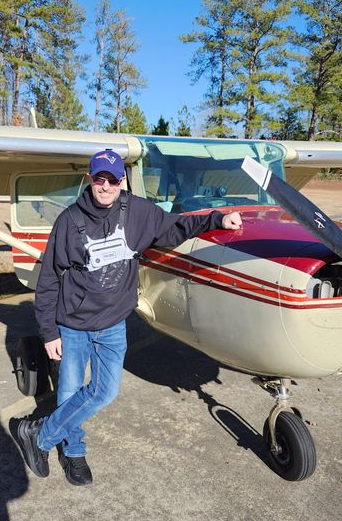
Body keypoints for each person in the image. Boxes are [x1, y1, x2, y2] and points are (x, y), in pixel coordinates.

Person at [17, 150, 242, 486]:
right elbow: (49, 280)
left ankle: (38, 433)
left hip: (112, 325)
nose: (106, 186)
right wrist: (49, 332)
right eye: (100, 178)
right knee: (69, 392)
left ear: (122, 181)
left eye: (113, 179)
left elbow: (175, 226)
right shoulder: (68, 221)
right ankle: (73, 452)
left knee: (104, 392)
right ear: (90, 179)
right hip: (74, 324)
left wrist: (216, 220)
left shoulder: (137, 211)